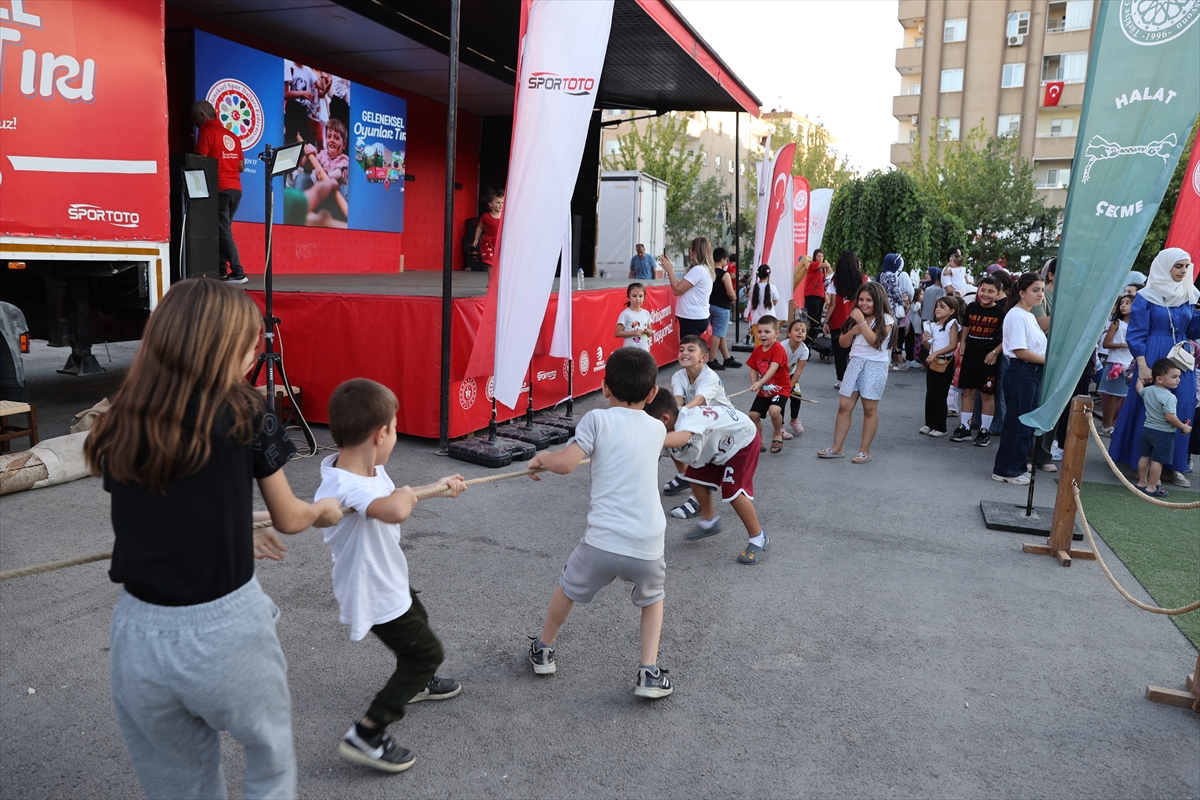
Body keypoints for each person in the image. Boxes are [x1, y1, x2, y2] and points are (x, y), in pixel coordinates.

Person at [83, 279, 343, 799]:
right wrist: (323, 510)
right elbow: (290, 517)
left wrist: (237, 531)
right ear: (222, 348)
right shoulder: (247, 410)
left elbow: (168, 507)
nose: (254, 356)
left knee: (178, 784)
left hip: (139, 635)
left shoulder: (122, 419)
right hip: (224, 628)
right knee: (270, 762)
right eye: (249, 345)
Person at [314, 379, 467, 773]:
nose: (395, 436)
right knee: (427, 653)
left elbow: (397, 495)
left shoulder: (368, 471)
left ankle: (417, 681)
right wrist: (407, 494)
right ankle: (368, 732)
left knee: (419, 619)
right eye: (396, 429)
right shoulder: (344, 487)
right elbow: (396, 508)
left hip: (389, 579)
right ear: (380, 435)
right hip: (372, 590)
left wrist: (438, 487)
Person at [526, 347, 673, 699]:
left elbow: (565, 463)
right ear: (652, 394)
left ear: (605, 388)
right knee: (653, 599)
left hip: (602, 542)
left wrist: (542, 456)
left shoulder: (596, 419)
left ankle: (544, 648)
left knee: (568, 587)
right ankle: (649, 672)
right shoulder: (657, 428)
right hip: (647, 543)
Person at [644, 391, 769, 565]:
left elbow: (682, 438)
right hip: (716, 445)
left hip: (742, 439)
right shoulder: (670, 426)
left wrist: (647, 438)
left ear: (665, 420)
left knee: (733, 491)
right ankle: (710, 521)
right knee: (694, 477)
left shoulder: (687, 421)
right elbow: (653, 457)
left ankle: (758, 538)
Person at [1110, 248, 1200, 487]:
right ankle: (1142, 463)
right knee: (1149, 404)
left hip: (1181, 357)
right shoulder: (1146, 296)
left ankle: (1172, 465)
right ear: (1165, 266)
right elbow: (1136, 333)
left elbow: (1192, 330)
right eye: (1178, 266)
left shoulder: (1190, 293)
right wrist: (1142, 365)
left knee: (1182, 404)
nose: (1183, 270)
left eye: (1186, 266)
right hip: (1152, 354)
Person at [818, 282, 894, 464]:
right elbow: (843, 343)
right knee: (844, 405)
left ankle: (865, 450)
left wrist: (862, 322)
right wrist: (852, 330)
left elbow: (875, 342)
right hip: (854, 363)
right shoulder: (855, 317)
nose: (864, 303)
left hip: (875, 365)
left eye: (869, 300)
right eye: (861, 299)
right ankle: (837, 447)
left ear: (878, 300)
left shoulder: (886, 319)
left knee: (869, 409)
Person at [991, 272, 1054, 485]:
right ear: (1021, 292)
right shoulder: (1017, 315)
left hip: (1030, 373)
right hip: (1022, 372)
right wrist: (1049, 361)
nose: (1040, 294)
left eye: (1042, 290)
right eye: (1035, 290)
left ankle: (1015, 466)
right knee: (1018, 425)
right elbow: (1020, 351)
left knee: (1024, 424)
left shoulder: (1027, 315)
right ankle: (1006, 470)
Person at [664, 335, 732, 520]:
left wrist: (683, 412)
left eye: (691, 349)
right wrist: (676, 416)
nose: (684, 353)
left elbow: (699, 399)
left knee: (698, 451)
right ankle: (683, 475)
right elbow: (678, 400)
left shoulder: (709, 376)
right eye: (681, 350)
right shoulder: (678, 375)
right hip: (699, 417)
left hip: (722, 422)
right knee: (670, 429)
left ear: (703, 357)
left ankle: (697, 500)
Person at [191, 100, 248, 283]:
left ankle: (238, 272)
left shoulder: (206, 132)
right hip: (235, 190)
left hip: (220, 190)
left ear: (202, 116)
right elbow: (241, 166)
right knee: (221, 230)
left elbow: (201, 162)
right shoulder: (232, 136)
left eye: (194, 119)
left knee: (222, 231)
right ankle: (221, 270)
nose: (195, 123)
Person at [950, 276, 1004, 447]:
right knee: (968, 392)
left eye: (991, 291)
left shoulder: (1001, 312)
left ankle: (984, 430)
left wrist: (995, 352)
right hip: (970, 356)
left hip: (989, 359)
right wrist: (963, 343)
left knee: (987, 394)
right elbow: (966, 325)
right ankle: (964, 427)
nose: (986, 294)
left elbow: (1007, 337)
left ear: (998, 294)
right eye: (983, 290)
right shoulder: (972, 307)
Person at [1136, 360, 1193, 496]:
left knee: (1144, 457)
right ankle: (1151, 487)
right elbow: (1170, 417)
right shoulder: (1169, 397)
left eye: (1179, 376)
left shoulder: (1148, 391)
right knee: (1158, 461)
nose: (1178, 380)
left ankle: (1141, 482)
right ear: (1160, 379)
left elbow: (1139, 389)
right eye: (1174, 377)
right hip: (1164, 433)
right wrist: (1184, 427)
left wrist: (1140, 378)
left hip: (1147, 430)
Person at [919, 295, 963, 438]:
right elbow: (929, 346)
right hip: (933, 361)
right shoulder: (933, 325)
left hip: (945, 361)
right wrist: (925, 341)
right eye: (937, 306)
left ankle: (940, 426)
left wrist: (935, 353)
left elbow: (952, 345)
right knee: (930, 394)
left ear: (952, 311)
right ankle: (929, 423)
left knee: (940, 395)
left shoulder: (952, 324)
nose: (938, 309)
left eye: (942, 307)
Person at [747, 315, 789, 454]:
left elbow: (773, 368)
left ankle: (777, 433)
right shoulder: (757, 350)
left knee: (774, 411)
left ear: (776, 333)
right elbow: (753, 369)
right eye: (759, 331)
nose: (762, 335)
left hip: (780, 388)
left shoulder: (778, 349)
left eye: (767, 332)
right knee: (753, 415)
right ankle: (759, 440)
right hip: (764, 389)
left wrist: (760, 382)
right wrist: (754, 382)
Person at [824, 250, 867, 385]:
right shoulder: (864, 279)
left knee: (840, 353)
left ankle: (843, 381)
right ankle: (856, 380)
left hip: (839, 321)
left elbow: (832, 304)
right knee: (857, 352)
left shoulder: (835, 281)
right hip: (858, 321)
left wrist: (826, 321)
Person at [660, 237, 715, 338]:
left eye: (691, 248)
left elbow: (677, 290)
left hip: (692, 317)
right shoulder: (704, 269)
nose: (689, 252)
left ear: (695, 250)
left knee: (688, 346)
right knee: (692, 345)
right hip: (696, 316)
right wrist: (670, 270)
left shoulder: (698, 270)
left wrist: (670, 271)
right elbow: (681, 285)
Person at [1099, 294, 1134, 435]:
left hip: (1129, 363)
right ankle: (1107, 425)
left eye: (1128, 303)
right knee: (1115, 396)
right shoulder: (1116, 323)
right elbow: (1106, 343)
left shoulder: (1136, 325)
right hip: (1117, 363)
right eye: (1121, 303)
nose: (1123, 306)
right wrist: (1123, 345)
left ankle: (1112, 424)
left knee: (1120, 396)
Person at [707, 246, 740, 370]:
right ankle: (712, 360)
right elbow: (731, 293)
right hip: (722, 307)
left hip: (710, 305)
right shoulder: (724, 275)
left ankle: (727, 358)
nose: (726, 262)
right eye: (726, 260)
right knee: (717, 334)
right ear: (722, 260)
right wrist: (735, 297)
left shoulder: (709, 273)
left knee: (721, 333)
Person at [781, 318, 810, 436]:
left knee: (796, 395)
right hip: (778, 374)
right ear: (789, 333)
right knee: (781, 399)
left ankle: (794, 420)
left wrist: (790, 386)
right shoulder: (782, 346)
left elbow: (798, 371)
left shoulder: (805, 350)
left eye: (803, 331)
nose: (800, 333)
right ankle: (780, 426)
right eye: (796, 330)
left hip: (792, 374)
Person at [746, 264, 784, 337]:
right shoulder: (772, 287)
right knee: (769, 340)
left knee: (758, 341)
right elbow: (775, 302)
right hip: (770, 318)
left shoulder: (753, 287)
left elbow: (751, 300)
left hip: (756, 318)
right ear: (769, 275)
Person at [471, 189, 505, 270]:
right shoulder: (486, 216)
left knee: (500, 262)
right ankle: (491, 278)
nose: (501, 205)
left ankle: (498, 278)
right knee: (490, 262)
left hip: (501, 242)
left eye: (502, 202)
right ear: (490, 204)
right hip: (488, 243)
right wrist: (476, 239)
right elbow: (479, 227)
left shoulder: (505, 216)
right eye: (498, 203)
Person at [801, 249, 829, 344]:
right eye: (818, 256)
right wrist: (827, 266)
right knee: (813, 319)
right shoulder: (813, 265)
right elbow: (826, 265)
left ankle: (811, 340)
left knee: (817, 320)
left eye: (822, 256)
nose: (820, 258)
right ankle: (808, 340)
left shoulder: (822, 270)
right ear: (815, 257)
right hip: (813, 294)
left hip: (820, 295)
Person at [615, 282, 653, 351]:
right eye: (634, 296)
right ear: (628, 298)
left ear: (644, 298)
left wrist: (648, 331)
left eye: (640, 296)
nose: (638, 299)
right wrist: (633, 333)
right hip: (630, 352)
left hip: (644, 351)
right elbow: (617, 333)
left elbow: (651, 332)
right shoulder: (625, 314)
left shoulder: (646, 313)